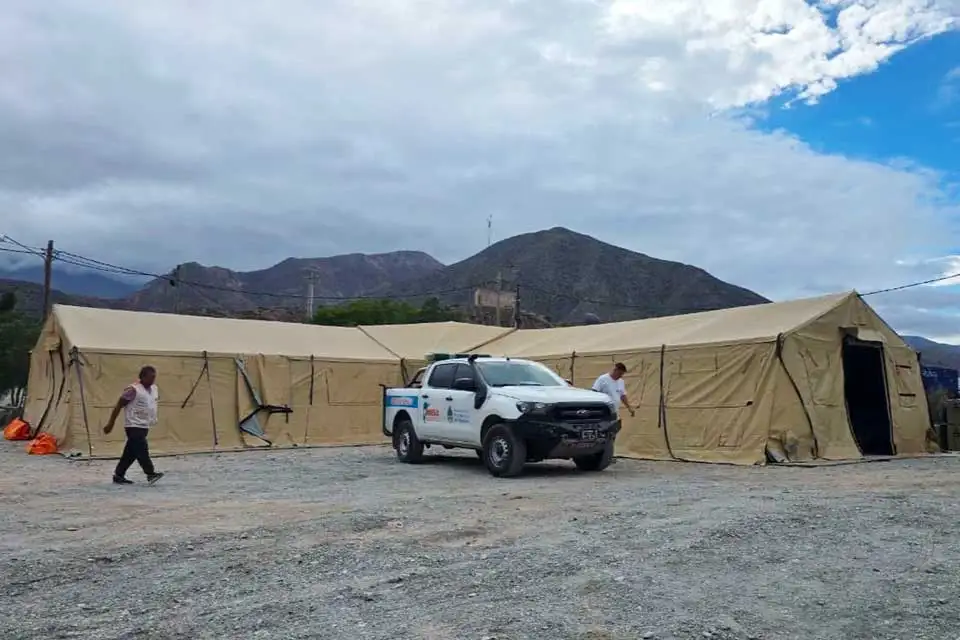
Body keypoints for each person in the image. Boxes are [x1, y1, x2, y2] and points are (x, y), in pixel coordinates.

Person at [103, 365, 164, 485]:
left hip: (144, 425)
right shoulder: (133, 390)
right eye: (150, 377)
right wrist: (111, 423)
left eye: (154, 377)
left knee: (130, 453)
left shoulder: (154, 389)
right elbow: (119, 405)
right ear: (142, 377)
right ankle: (150, 473)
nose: (153, 379)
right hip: (133, 425)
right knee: (142, 449)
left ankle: (119, 475)